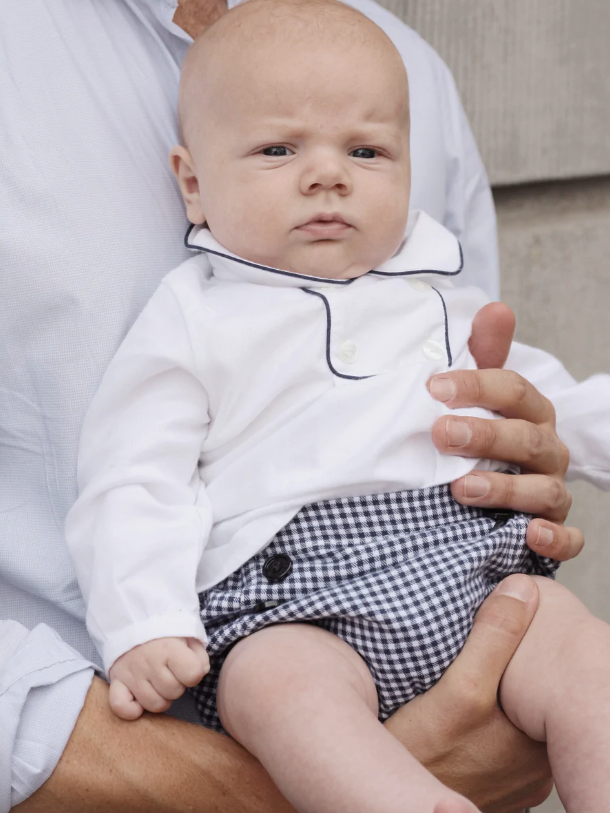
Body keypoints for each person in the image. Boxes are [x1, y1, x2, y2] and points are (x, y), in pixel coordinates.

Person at [1, 0, 607, 811]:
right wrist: (144, 619)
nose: (329, 174)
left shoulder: (429, 288)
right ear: (193, 182)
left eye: (367, 151)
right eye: (278, 150)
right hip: (287, 602)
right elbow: (135, 476)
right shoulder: (196, 317)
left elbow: (548, 395)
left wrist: (544, 442)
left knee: (586, 661)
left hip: (465, 576)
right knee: (289, 698)